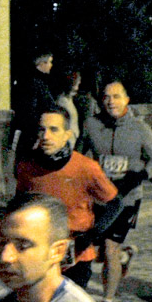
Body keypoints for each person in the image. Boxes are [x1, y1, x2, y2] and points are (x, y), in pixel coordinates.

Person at [79, 80, 152, 302]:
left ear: (126, 99)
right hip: (99, 197)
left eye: (116, 96)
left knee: (109, 249)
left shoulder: (140, 128)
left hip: (127, 197)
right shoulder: (91, 125)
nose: (111, 101)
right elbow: (79, 155)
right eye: (106, 97)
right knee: (93, 250)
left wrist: (141, 175)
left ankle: (106, 301)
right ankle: (124, 257)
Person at [17, 107, 120, 289]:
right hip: (40, 253)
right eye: (42, 130)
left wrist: (90, 236)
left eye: (54, 129)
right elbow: (20, 204)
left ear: (67, 135)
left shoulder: (85, 167)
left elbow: (115, 203)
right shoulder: (27, 167)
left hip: (76, 256)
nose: (46, 136)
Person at [13, 50, 56, 158]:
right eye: (49, 62)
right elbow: (31, 110)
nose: (51, 65)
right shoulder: (34, 83)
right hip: (33, 133)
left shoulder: (37, 81)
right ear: (42, 63)